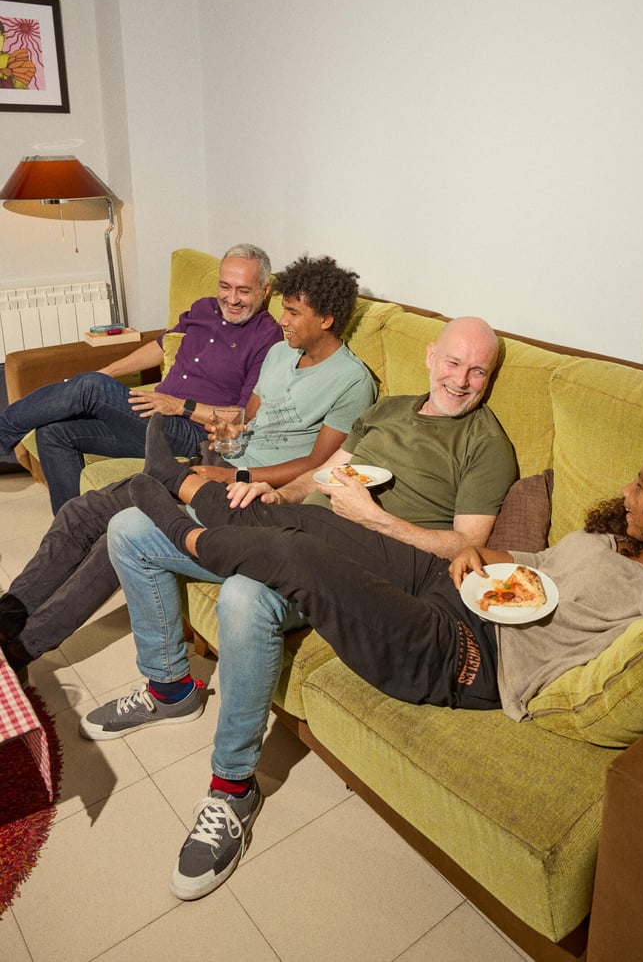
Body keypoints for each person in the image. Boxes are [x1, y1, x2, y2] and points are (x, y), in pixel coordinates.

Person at [86, 439, 643, 903]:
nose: (628, 487)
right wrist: (482, 553)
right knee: (317, 526)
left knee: (305, 564)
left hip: (462, 655)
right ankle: (194, 495)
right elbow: (542, 564)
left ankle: (190, 528)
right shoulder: (616, 539)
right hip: (461, 591)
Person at [81, 315, 517, 900]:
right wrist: (272, 491)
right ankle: (170, 690)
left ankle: (233, 790)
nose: (461, 380)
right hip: (307, 521)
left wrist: (376, 519)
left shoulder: (484, 444)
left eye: (477, 371)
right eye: (454, 363)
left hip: (367, 572)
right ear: (430, 356)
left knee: (244, 593)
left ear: (489, 379)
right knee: (130, 527)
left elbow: (468, 553)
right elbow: (324, 476)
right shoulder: (389, 411)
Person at [0, 255, 376, 678]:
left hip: (244, 492)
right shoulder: (279, 353)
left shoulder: (352, 382)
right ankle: (9, 615)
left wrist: (234, 474)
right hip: (213, 461)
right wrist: (223, 430)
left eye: (292, 312)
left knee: (120, 534)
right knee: (80, 512)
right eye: (284, 309)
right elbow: (249, 418)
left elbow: (317, 464)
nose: (283, 320)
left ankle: (22, 650)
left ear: (326, 318)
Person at [0, 243, 282, 513]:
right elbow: (161, 345)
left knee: (91, 387)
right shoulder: (203, 308)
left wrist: (179, 405)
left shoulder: (267, 337)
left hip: (191, 431)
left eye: (243, 291)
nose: (232, 299)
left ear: (264, 289)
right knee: (54, 433)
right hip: (150, 415)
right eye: (225, 287)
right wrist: (106, 373)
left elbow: (241, 417)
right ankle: (71, 536)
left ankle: (3, 434)